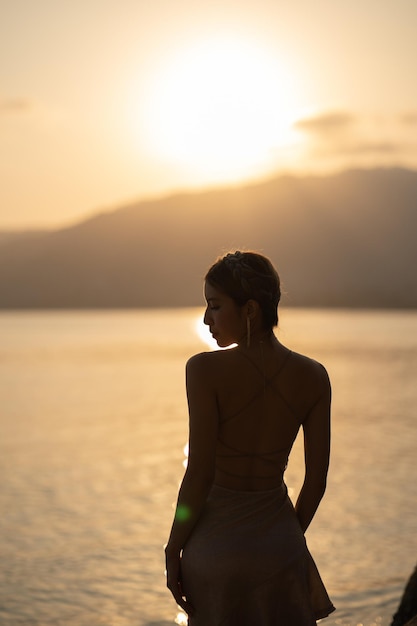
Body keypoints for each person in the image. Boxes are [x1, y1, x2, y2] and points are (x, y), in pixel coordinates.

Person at [165, 250, 335, 625]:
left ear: (250, 310)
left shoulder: (204, 369)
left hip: (215, 550)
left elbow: (199, 474)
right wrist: (286, 538)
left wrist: (173, 547)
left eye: (215, 305)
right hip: (280, 549)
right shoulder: (314, 376)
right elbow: (317, 482)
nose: (207, 319)